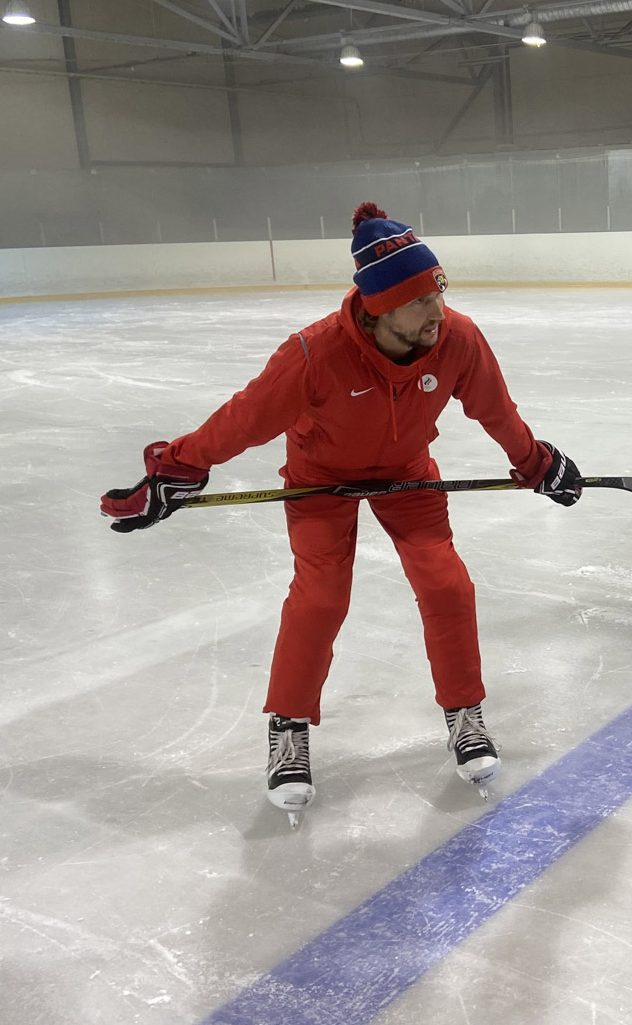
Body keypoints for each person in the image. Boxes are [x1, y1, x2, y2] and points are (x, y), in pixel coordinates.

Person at [99, 202, 584, 819]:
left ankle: (465, 714)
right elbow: (242, 420)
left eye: (438, 290)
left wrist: (535, 460)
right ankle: (290, 728)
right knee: (322, 597)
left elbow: (495, 409)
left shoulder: (456, 337)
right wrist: (179, 465)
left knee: (448, 585)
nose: (437, 310)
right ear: (380, 307)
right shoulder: (313, 355)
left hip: (407, 474)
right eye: (419, 301)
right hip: (320, 482)